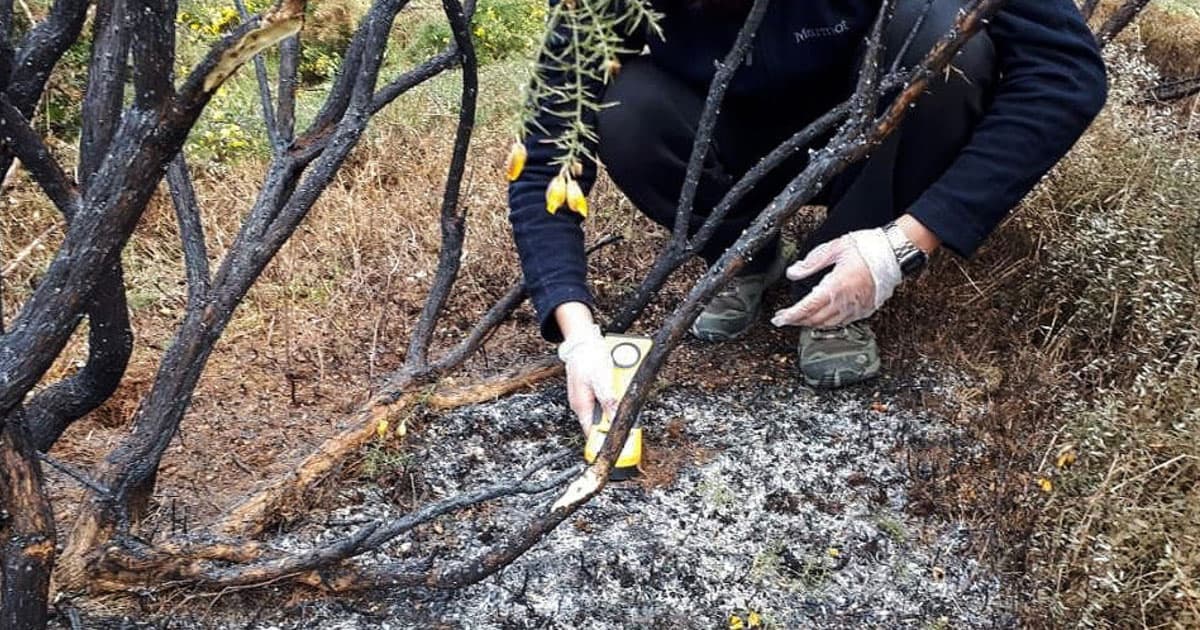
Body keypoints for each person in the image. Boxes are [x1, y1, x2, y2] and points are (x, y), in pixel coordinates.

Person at [507, 0, 1108, 434]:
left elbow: (1064, 74)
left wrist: (903, 243)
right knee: (622, 105)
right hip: (723, 140)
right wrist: (578, 337)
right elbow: (545, 156)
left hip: (877, 132)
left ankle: (849, 266)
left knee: (946, 35)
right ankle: (746, 254)